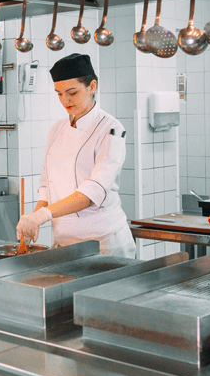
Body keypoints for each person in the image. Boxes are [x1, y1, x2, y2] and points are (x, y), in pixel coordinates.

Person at [16, 53, 135, 258]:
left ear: (92, 86)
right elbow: (46, 187)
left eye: (72, 92)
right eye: (59, 94)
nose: (65, 100)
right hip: (64, 242)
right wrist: (32, 220)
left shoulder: (111, 129)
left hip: (104, 244)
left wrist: (43, 215)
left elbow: (92, 193)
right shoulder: (57, 129)